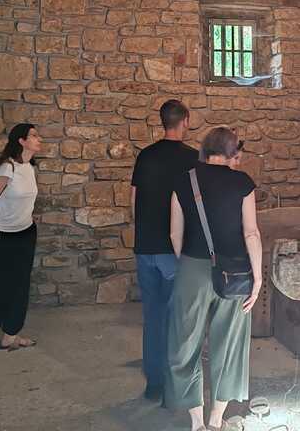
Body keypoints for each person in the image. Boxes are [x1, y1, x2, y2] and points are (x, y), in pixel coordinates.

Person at [166, 127, 262, 431]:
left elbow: (174, 233)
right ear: (232, 152)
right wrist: (258, 278)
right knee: (229, 344)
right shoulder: (242, 183)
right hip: (234, 272)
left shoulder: (184, 180)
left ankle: (196, 423)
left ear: (206, 150)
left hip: (192, 268)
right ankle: (216, 420)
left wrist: (189, 264)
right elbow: (251, 233)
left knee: (184, 344)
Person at [130, 99, 198, 401]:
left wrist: (142, 232)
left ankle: (154, 383)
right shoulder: (192, 158)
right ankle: (175, 382)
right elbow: (195, 205)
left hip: (145, 246)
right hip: (174, 248)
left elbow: (133, 200)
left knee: (153, 316)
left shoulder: (145, 156)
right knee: (177, 317)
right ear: (185, 121)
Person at [0, 123, 42, 350]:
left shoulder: (30, 168)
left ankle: (11, 334)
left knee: (20, 285)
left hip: (25, 234)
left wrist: (28, 217)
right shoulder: (8, 167)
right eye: (34, 135)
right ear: (21, 141)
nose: (39, 139)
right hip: (0, 235)